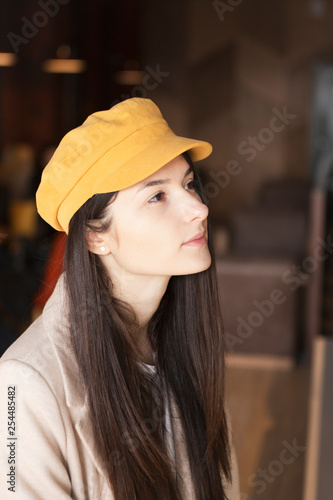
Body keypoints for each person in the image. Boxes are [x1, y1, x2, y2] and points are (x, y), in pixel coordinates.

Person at [0, 98, 240, 499]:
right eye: (156, 197)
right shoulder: (23, 383)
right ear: (96, 236)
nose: (199, 208)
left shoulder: (184, 340)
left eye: (188, 184)